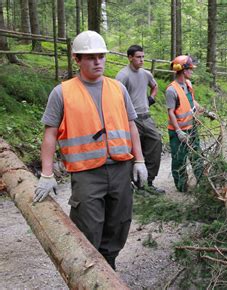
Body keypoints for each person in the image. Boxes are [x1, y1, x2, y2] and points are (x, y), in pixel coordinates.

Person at [33, 31, 147, 270]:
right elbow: (50, 133)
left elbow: (131, 125)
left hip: (120, 168)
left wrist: (139, 161)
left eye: (101, 56)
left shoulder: (118, 88)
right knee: (88, 225)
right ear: (77, 59)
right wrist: (46, 173)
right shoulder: (62, 92)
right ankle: (89, 273)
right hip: (87, 174)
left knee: (119, 222)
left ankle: (109, 268)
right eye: (90, 57)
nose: (98, 62)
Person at [116, 45, 165, 195]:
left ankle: (148, 182)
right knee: (135, 152)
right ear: (130, 57)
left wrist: (151, 98)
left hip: (146, 116)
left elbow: (154, 86)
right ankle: (137, 185)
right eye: (138, 57)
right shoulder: (122, 75)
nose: (142, 60)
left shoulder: (146, 74)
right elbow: (115, 97)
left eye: (143, 57)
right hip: (132, 119)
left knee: (155, 143)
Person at [165, 55, 217, 192]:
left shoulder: (188, 85)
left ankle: (203, 183)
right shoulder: (171, 90)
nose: (192, 71)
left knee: (197, 156)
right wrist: (178, 131)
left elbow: (192, 103)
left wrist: (206, 112)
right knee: (179, 159)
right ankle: (182, 186)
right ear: (183, 70)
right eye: (190, 69)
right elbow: (170, 113)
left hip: (192, 128)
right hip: (179, 132)